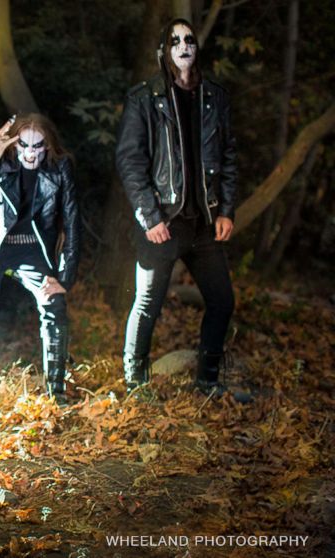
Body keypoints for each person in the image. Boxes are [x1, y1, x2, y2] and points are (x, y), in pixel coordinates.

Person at [116, 19, 246, 401]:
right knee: (147, 305)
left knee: (222, 301)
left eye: (189, 39)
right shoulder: (145, 98)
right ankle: (135, 384)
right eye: (176, 40)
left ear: (196, 47)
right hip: (164, 223)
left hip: (204, 224)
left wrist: (226, 210)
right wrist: (149, 216)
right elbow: (130, 160)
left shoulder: (215, 98)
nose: (184, 45)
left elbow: (228, 156)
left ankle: (208, 381)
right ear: (165, 50)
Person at [0, 113, 80, 405]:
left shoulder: (60, 169)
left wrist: (65, 278)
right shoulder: (1, 162)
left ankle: (56, 392)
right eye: (24, 144)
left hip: (33, 249)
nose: (31, 152)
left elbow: (73, 223)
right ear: (14, 144)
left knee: (54, 304)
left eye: (38, 146)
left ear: (48, 146)